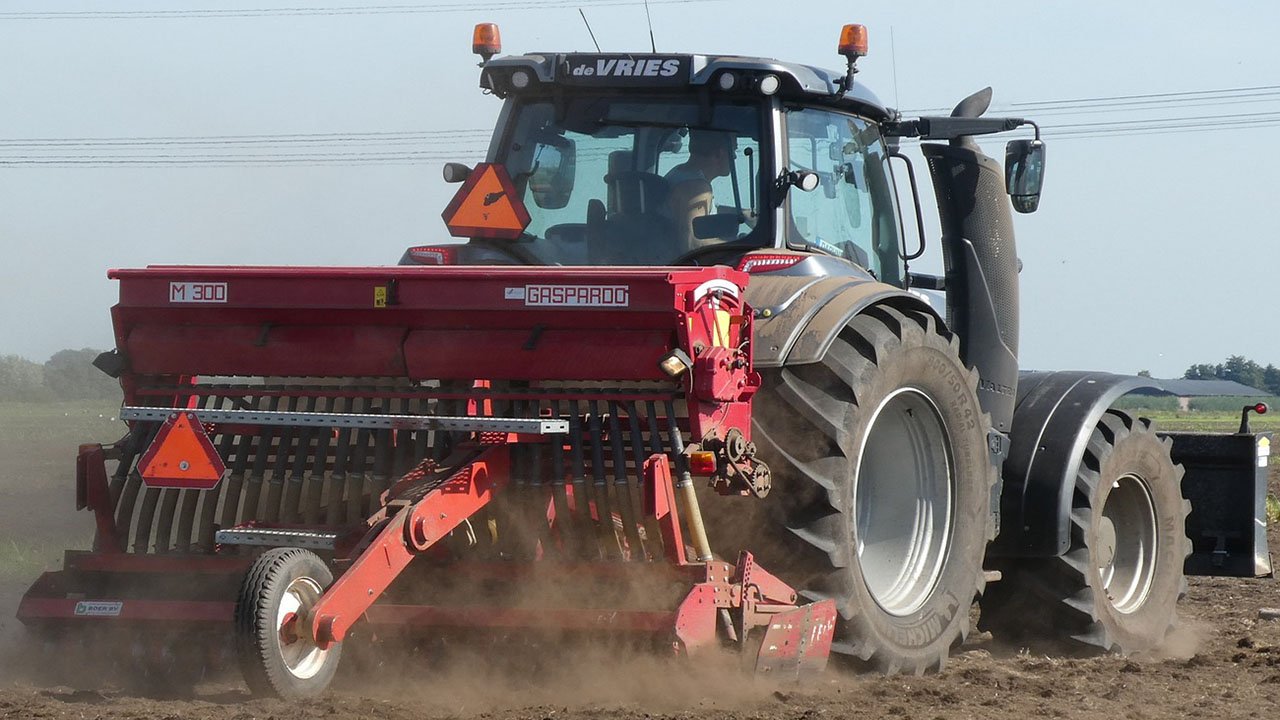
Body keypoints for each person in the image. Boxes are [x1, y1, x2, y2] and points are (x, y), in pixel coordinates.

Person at [664, 129, 735, 252]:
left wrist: (741, 213)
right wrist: (741, 243)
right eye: (733, 150)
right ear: (719, 154)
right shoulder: (697, 189)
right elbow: (692, 243)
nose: (735, 157)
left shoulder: (679, 172)